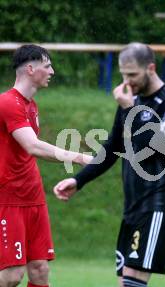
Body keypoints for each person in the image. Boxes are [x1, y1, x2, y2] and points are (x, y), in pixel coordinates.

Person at [53, 43, 165, 287]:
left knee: (132, 283)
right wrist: (79, 179)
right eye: (123, 74)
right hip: (133, 207)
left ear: (151, 68)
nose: (127, 81)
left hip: (158, 204)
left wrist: (130, 108)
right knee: (125, 282)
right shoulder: (131, 101)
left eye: (133, 74)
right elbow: (112, 147)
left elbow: (155, 147)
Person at [0, 44, 93, 287]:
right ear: (30, 69)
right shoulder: (8, 103)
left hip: (33, 195)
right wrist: (81, 157)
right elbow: (34, 146)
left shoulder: (31, 105)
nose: (52, 71)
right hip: (8, 198)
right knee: (12, 275)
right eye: (47, 65)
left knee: (40, 270)